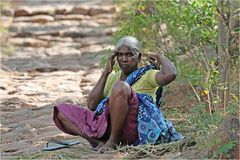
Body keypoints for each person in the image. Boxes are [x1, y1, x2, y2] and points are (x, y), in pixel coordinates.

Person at [53, 36, 183, 153]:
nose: (124, 59)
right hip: (106, 126)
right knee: (61, 111)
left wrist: (160, 56)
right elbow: (92, 105)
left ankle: (113, 142)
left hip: (133, 128)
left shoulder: (147, 75)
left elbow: (171, 74)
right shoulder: (113, 78)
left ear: (138, 57)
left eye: (129, 55)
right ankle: (98, 142)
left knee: (120, 87)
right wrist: (106, 73)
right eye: (120, 55)